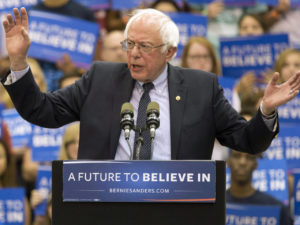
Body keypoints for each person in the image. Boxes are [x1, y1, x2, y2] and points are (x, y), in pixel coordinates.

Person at [1, 8, 300, 161]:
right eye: (129, 44)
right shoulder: (100, 78)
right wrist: (17, 62)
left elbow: (247, 141)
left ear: (170, 52)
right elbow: (42, 111)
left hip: (177, 210)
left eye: (144, 46)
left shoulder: (202, 88)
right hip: (105, 207)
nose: (133, 53)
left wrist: (266, 110)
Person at [226, 149, 291, 225]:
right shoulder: (214, 206)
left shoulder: (276, 208)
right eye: (236, 156)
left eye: (249, 157)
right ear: (228, 161)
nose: (242, 162)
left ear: (256, 164)